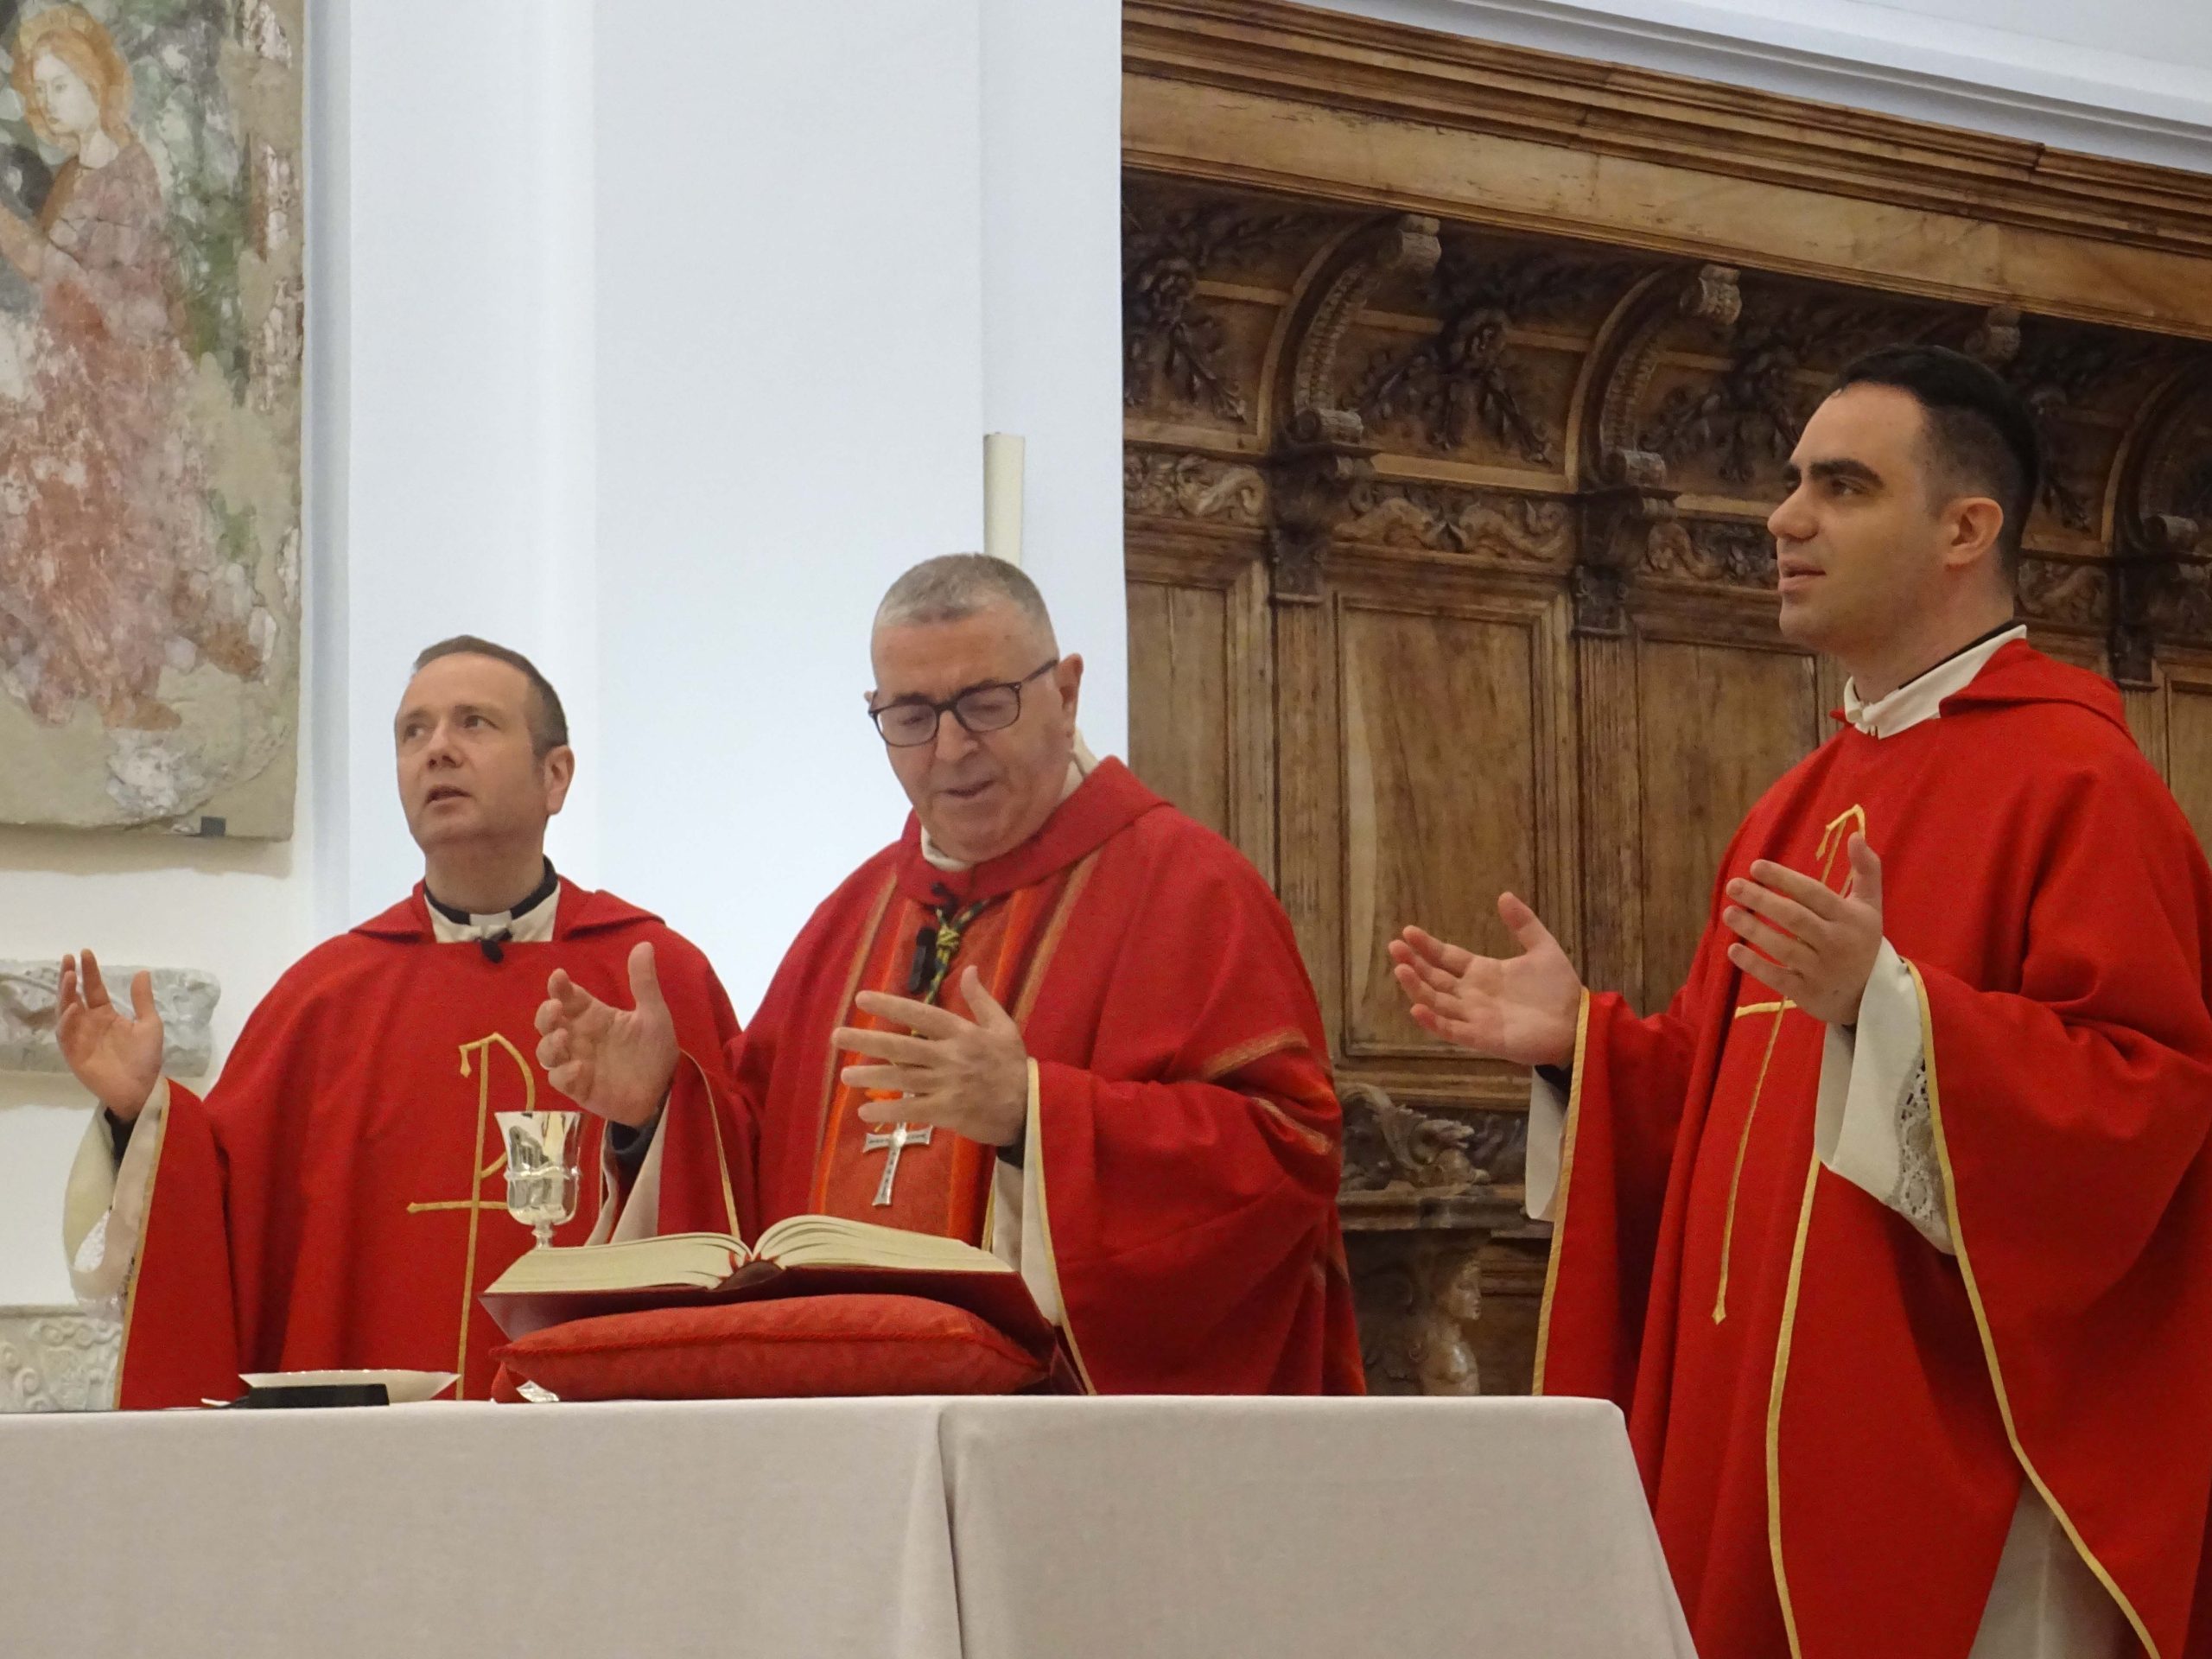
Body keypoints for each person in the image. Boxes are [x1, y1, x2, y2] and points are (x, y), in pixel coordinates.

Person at [1393, 346, 2212, 1658]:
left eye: (1842, 487)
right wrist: (1587, 1050)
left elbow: (2146, 1108)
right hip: (1753, 1438)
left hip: (1943, 1471)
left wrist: (1887, 1008)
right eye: (1793, 483)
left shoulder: (2078, 782)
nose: (1783, 519)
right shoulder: (1797, 800)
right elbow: (1729, 1119)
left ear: (1965, 529)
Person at [538, 555, 1363, 1393]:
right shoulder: (851, 915)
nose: (951, 748)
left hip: (1065, 1433)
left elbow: (1292, 1149)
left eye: (986, 704)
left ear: (1066, 693)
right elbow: (761, 1156)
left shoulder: (1189, 888)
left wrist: (1033, 1116)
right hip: (842, 1422)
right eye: (911, 716)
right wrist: (660, 1112)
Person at [60, 637, 746, 1406]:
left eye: (474, 722)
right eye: (413, 732)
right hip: (367, 1457)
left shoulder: (654, 979)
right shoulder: (323, 999)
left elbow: (747, 1206)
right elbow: (222, 1221)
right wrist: (142, 1116)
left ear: (554, 776)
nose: (437, 750)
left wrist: (652, 1117)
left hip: (602, 1440)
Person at [0, 5, 265, 729]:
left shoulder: (127, 173)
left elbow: (111, 298)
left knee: (114, 527)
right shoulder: (74, 173)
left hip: (121, 383)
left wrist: (23, 246)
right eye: (42, 90)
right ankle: (96, 670)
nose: (52, 101)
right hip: (72, 376)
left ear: (96, 81)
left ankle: (127, 678)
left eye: (62, 84)